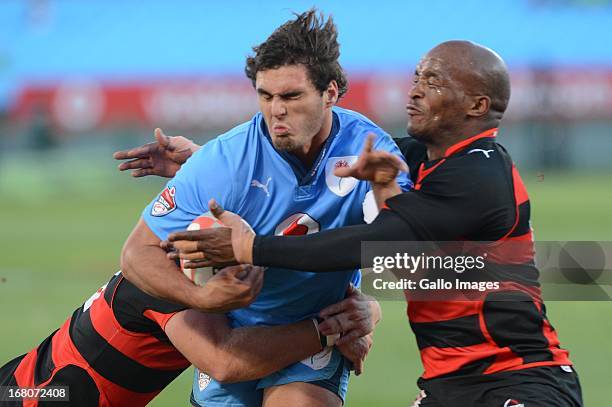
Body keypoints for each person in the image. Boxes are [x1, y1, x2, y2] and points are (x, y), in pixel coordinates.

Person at [166, 41, 584, 407]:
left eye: (434, 82)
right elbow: (313, 155)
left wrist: (250, 249)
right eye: (417, 76)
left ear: (477, 106)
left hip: (518, 377)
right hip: (446, 384)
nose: (415, 90)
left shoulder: (481, 174)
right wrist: (206, 162)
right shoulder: (421, 158)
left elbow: (376, 244)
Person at [117, 9, 410, 407]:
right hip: (237, 336)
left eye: (291, 96)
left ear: (331, 93)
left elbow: (405, 256)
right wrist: (201, 299)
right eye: (265, 95)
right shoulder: (223, 161)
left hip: (314, 334)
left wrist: (369, 307)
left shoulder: (369, 152)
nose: (276, 111)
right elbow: (136, 254)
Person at [0, 265, 372, 406]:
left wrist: (362, 311)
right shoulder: (163, 287)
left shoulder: (186, 273)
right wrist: (333, 330)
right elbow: (225, 361)